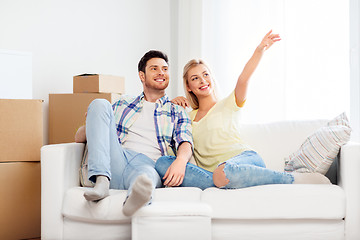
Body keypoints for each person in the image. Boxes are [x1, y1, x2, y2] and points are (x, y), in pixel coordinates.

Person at [155, 30, 330, 190]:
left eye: (205, 74)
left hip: (245, 161)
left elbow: (243, 79)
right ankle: (221, 182)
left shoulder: (228, 104)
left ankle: (292, 179)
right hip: (214, 174)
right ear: (189, 86)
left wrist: (260, 50)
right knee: (163, 163)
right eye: (195, 78)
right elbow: (172, 142)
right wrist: (171, 104)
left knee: (224, 172)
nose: (202, 80)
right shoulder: (187, 117)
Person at [75, 50, 193, 216]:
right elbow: (78, 137)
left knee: (145, 177)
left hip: (149, 164)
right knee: (99, 103)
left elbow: (185, 141)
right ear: (142, 76)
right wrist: (94, 120)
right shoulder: (122, 103)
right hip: (117, 159)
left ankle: (134, 199)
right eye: (154, 68)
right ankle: (101, 181)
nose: (161, 72)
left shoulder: (177, 111)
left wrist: (181, 160)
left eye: (165, 69)